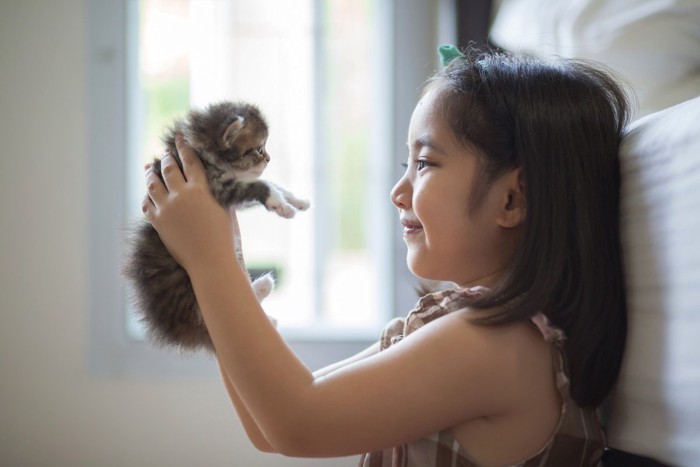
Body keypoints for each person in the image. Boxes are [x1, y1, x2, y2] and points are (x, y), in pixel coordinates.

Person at [141, 45, 630, 466]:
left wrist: (212, 262)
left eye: (424, 163)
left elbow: (297, 422)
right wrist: (220, 249)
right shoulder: (459, 327)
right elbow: (270, 427)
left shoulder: (501, 344)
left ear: (512, 199)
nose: (398, 192)